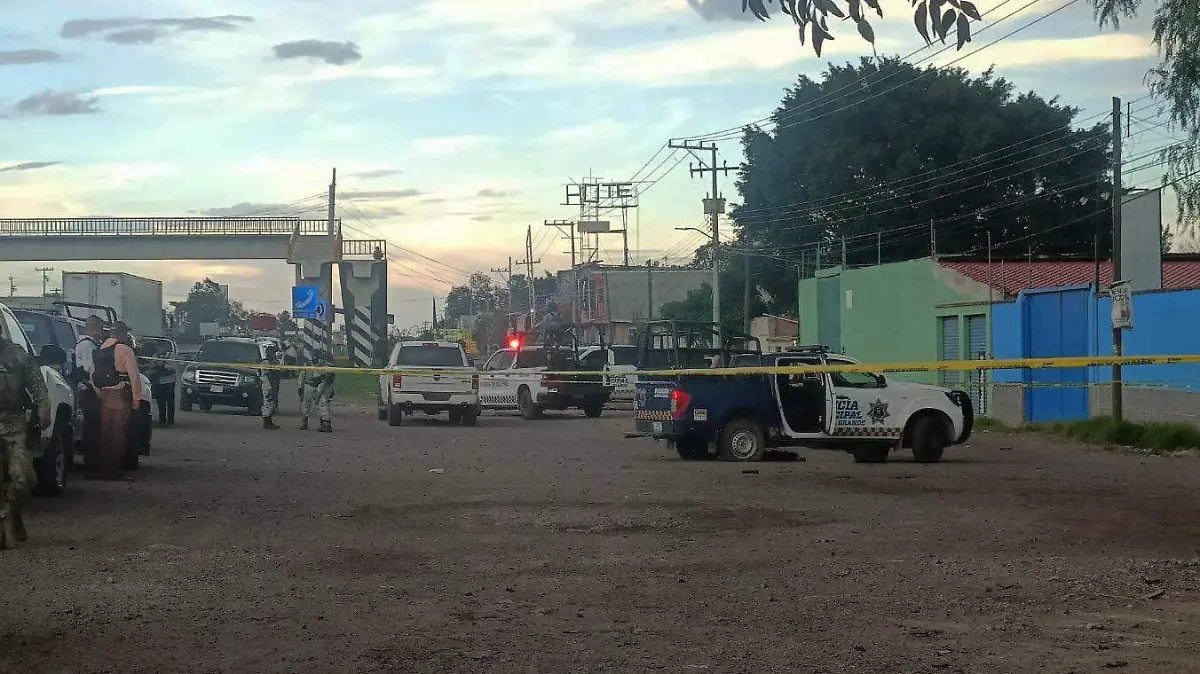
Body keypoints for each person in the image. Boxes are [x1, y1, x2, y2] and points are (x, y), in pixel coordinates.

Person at [0, 324, 51, 550]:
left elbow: (37, 383)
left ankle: (13, 508)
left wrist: (44, 406)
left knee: (25, 478)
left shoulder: (16, 354)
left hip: (13, 420)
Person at [92, 321, 142, 481]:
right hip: (120, 393)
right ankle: (114, 471)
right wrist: (137, 397)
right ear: (122, 333)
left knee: (105, 432)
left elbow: (92, 374)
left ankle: (103, 469)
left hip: (104, 394)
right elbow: (134, 376)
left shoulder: (100, 349)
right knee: (118, 433)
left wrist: (99, 392)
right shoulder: (125, 350)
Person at [74, 316, 105, 479]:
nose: (102, 332)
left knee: (94, 429)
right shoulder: (87, 345)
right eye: (100, 329)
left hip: (89, 391)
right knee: (92, 431)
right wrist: (99, 393)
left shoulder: (90, 344)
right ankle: (91, 468)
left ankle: (94, 466)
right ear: (93, 328)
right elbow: (90, 371)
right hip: (89, 392)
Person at [298, 350, 335, 432]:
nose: (315, 357)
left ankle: (325, 424)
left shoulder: (324, 365)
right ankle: (305, 423)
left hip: (318, 386)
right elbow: (302, 375)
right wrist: (300, 386)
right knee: (306, 405)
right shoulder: (307, 364)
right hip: (309, 385)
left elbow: (326, 380)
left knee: (322, 404)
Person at [151, 344, 176, 427]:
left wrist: (163, 365)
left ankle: (170, 420)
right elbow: (152, 365)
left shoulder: (171, 355)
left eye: (161, 347)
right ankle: (162, 420)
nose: (159, 349)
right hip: (159, 382)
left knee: (170, 402)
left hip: (169, 381)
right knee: (160, 402)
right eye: (158, 347)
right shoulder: (155, 355)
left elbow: (174, 368)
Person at [260, 345, 282, 430]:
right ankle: (266, 423)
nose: (275, 354)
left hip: (273, 384)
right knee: (268, 402)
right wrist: (270, 387)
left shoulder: (274, 361)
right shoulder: (265, 362)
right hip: (267, 384)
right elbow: (267, 375)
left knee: (272, 403)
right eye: (274, 352)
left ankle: (269, 421)